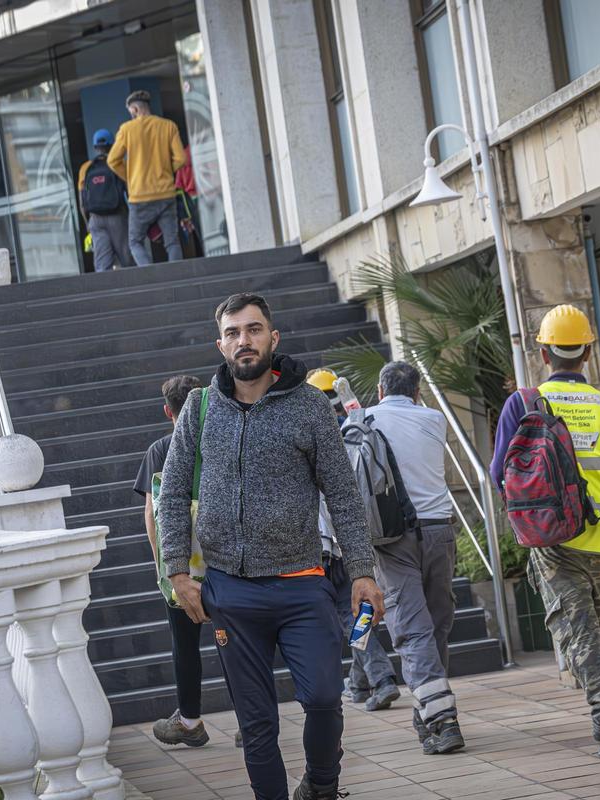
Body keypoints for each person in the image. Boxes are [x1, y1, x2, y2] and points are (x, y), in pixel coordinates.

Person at [159, 292, 384, 800]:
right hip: (231, 593)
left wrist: (363, 570)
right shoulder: (198, 409)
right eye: (234, 332)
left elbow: (343, 495)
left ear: (273, 338)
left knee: (325, 698)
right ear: (221, 345)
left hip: (303, 584)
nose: (245, 340)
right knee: (257, 724)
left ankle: (322, 785)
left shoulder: (307, 406)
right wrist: (177, 572)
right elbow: (171, 493)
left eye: (254, 329)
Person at [490, 304, 600, 760]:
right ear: (588, 351)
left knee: (580, 631)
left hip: (554, 538)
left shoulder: (525, 403)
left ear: (544, 353)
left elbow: (500, 473)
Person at [362, 361, 464, 755]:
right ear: (418, 392)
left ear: (381, 391)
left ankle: (440, 718)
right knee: (436, 623)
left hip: (392, 536)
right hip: (440, 531)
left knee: (411, 629)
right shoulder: (435, 419)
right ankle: (429, 709)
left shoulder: (365, 419)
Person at [305, 368, 401, 712]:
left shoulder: (316, 439)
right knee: (356, 614)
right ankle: (359, 683)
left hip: (328, 545)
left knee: (351, 618)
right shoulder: (354, 432)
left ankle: (381, 678)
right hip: (357, 543)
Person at [132, 375, 207, 746]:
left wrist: (163, 566)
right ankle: (250, 718)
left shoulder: (160, 449)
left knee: (185, 643)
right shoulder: (219, 438)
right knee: (239, 638)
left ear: (168, 411)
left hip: (181, 566)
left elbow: (153, 514)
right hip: (226, 560)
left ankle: (190, 721)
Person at [107, 89, 185, 266]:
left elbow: (112, 160)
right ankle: (178, 277)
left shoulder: (127, 129)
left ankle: (151, 276)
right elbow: (181, 159)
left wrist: (130, 177)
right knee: (172, 241)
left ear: (134, 109)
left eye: (130, 112)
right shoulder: (168, 126)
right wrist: (165, 171)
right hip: (166, 194)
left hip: (140, 197)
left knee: (135, 242)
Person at [78, 129, 133, 272]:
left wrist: (88, 224)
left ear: (95, 147)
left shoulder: (86, 168)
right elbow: (129, 192)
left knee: (102, 264)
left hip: (96, 219)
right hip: (118, 217)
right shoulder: (119, 164)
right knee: (127, 259)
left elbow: (82, 202)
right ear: (112, 145)